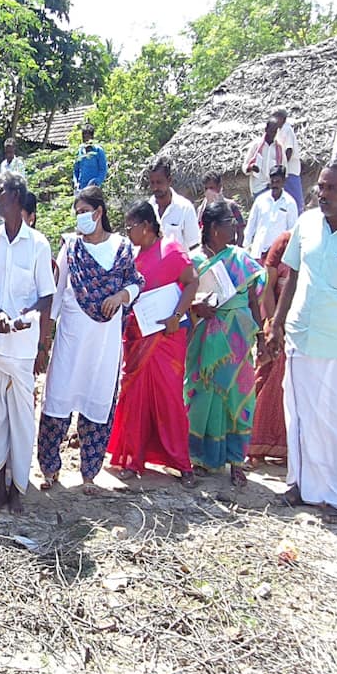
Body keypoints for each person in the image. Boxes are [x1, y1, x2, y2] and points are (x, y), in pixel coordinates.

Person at [266, 159, 337, 521]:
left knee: (333, 417)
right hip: (300, 335)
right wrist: (276, 323)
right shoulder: (306, 223)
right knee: (298, 414)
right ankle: (299, 485)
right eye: (321, 186)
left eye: (331, 188)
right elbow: (293, 276)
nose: (323, 193)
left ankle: (334, 495)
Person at [38, 186, 143, 495]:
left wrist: (122, 295)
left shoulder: (122, 247)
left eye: (84, 212)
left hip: (105, 343)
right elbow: (56, 294)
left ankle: (89, 473)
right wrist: (45, 339)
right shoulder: (71, 247)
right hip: (72, 337)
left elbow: (136, 282)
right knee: (57, 398)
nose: (80, 218)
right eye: (77, 213)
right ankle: (50, 469)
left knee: (96, 403)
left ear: (99, 213)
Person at [0, 172, 55, 513]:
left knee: (21, 419)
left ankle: (18, 486)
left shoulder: (38, 243)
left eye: (0, 192)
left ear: (17, 197)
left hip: (22, 349)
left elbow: (46, 296)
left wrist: (26, 319)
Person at [107, 201, 198, 487]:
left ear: (146, 227)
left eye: (131, 226)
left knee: (169, 398)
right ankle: (132, 458)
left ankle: (181, 462)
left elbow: (192, 282)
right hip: (138, 337)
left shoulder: (172, 250)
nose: (128, 232)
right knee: (134, 397)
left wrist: (177, 315)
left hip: (167, 337)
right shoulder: (133, 257)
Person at [185, 201, 265, 486]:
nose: (235, 229)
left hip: (238, 335)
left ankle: (235, 461)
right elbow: (183, 301)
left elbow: (254, 298)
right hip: (207, 334)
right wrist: (196, 307)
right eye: (230, 224)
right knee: (204, 393)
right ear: (213, 228)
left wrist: (261, 336)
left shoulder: (241, 258)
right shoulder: (193, 261)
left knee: (238, 395)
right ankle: (202, 457)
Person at [246, 229, 293, 465]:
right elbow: (268, 286)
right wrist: (275, 323)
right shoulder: (284, 241)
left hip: (303, 329)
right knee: (265, 379)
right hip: (276, 324)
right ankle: (255, 444)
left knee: (293, 389)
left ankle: (287, 449)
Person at [243, 165, 298, 262]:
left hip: (277, 255)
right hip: (258, 252)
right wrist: (246, 246)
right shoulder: (261, 200)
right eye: (272, 181)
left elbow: (292, 231)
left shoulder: (290, 203)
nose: (274, 185)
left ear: (284, 181)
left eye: (278, 182)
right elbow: (251, 225)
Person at [148, 155, 200, 251]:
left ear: (169, 180)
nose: (155, 187)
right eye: (152, 182)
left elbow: (194, 247)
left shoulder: (185, 208)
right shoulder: (148, 208)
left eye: (159, 182)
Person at [196, 171, 245, 246]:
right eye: (206, 188)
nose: (209, 191)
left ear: (219, 187)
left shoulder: (231, 206)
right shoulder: (201, 211)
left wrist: (237, 249)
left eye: (212, 188)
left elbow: (240, 230)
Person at [242, 118, 283, 202]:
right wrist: (251, 167)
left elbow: (283, 169)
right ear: (266, 129)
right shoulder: (256, 146)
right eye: (271, 131)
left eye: (275, 131)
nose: (273, 134)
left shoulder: (278, 148)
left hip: (273, 188)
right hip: (258, 188)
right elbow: (245, 166)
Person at [272, 107, 304, 213]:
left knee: (295, 200)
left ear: (282, 118)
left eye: (276, 116)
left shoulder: (286, 129)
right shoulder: (280, 131)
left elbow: (288, 150)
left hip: (290, 170)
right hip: (287, 171)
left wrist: (282, 168)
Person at [72, 123, 107, 192]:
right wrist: (75, 183)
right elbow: (76, 170)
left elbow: (103, 170)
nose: (86, 139)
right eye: (84, 137)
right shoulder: (80, 151)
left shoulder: (98, 151)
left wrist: (96, 182)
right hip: (80, 188)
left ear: (92, 137)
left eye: (88, 136)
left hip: (93, 188)